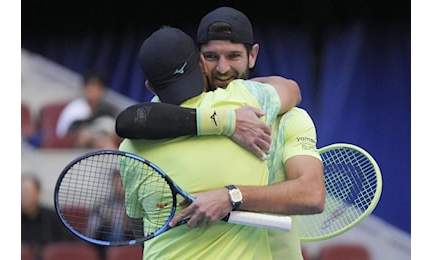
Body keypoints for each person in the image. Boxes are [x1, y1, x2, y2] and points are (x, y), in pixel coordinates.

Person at [116, 7, 325, 260]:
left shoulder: (281, 113)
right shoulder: (159, 122)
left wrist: (231, 196)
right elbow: (130, 121)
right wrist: (227, 121)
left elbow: (312, 195)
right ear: (199, 61)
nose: (223, 68)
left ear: (252, 55)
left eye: (234, 56)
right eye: (212, 56)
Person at [55, 70, 120, 148]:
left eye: (97, 87)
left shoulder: (107, 109)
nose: (92, 90)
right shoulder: (76, 109)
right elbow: (69, 135)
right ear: (84, 88)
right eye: (90, 86)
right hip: (68, 148)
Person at [86, 169, 136, 259]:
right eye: (118, 182)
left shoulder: (137, 208)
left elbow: (144, 236)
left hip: (130, 250)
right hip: (104, 251)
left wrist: (130, 226)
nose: (120, 186)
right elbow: (90, 235)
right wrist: (105, 222)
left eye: (123, 182)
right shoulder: (101, 207)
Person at [21, 174, 73, 260]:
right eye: (21, 193)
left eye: (27, 192)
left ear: (38, 193)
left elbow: (68, 242)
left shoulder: (52, 217)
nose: (24, 196)